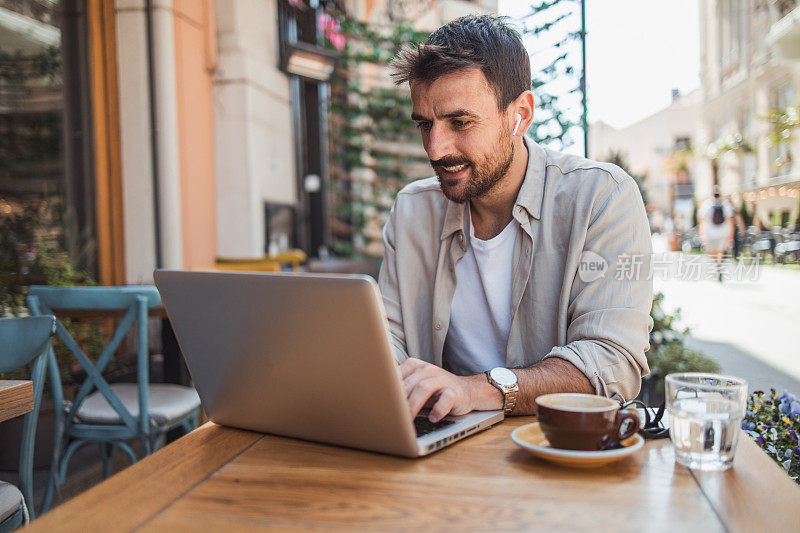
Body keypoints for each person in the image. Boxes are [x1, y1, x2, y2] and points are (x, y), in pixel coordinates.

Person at [378, 15, 653, 423]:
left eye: (460, 122)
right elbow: (386, 339)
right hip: (443, 448)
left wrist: (476, 389)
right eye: (425, 125)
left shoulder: (600, 197)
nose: (436, 149)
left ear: (520, 114)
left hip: (556, 448)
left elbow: (611, 362)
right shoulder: (413, 210)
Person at [698, 188, 734, 281]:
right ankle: (719, 265)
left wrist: (702, 234)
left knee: (713, 251)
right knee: (720, 251)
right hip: (723, 232)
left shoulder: (706, 204)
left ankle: (717, 265)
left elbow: (702, 221)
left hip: (711, 232)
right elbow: (730, 221)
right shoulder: (726, 204)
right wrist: (731, 236)